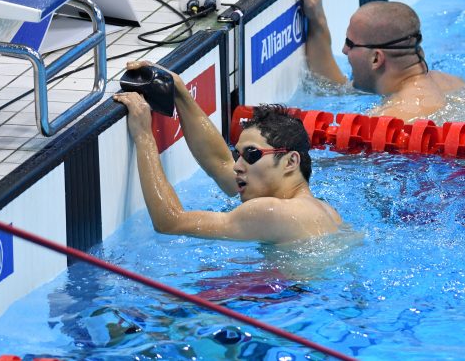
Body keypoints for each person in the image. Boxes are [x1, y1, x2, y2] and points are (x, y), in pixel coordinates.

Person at [113, 61, 342, 245]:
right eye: (238, 155)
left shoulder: (272, 211)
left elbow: (170, 222)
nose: (237, 166)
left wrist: (143, 135)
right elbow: (220, 163)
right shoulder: (325, 211)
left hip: (298, 299)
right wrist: (179, 92)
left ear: (291, 161)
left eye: (251, 154)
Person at [285, 0, 465, 122]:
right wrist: (316, 18)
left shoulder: (391, 118)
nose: (344, 49)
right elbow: (334, 87)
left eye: (350, 43)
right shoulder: (454, 84)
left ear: (376, 59)